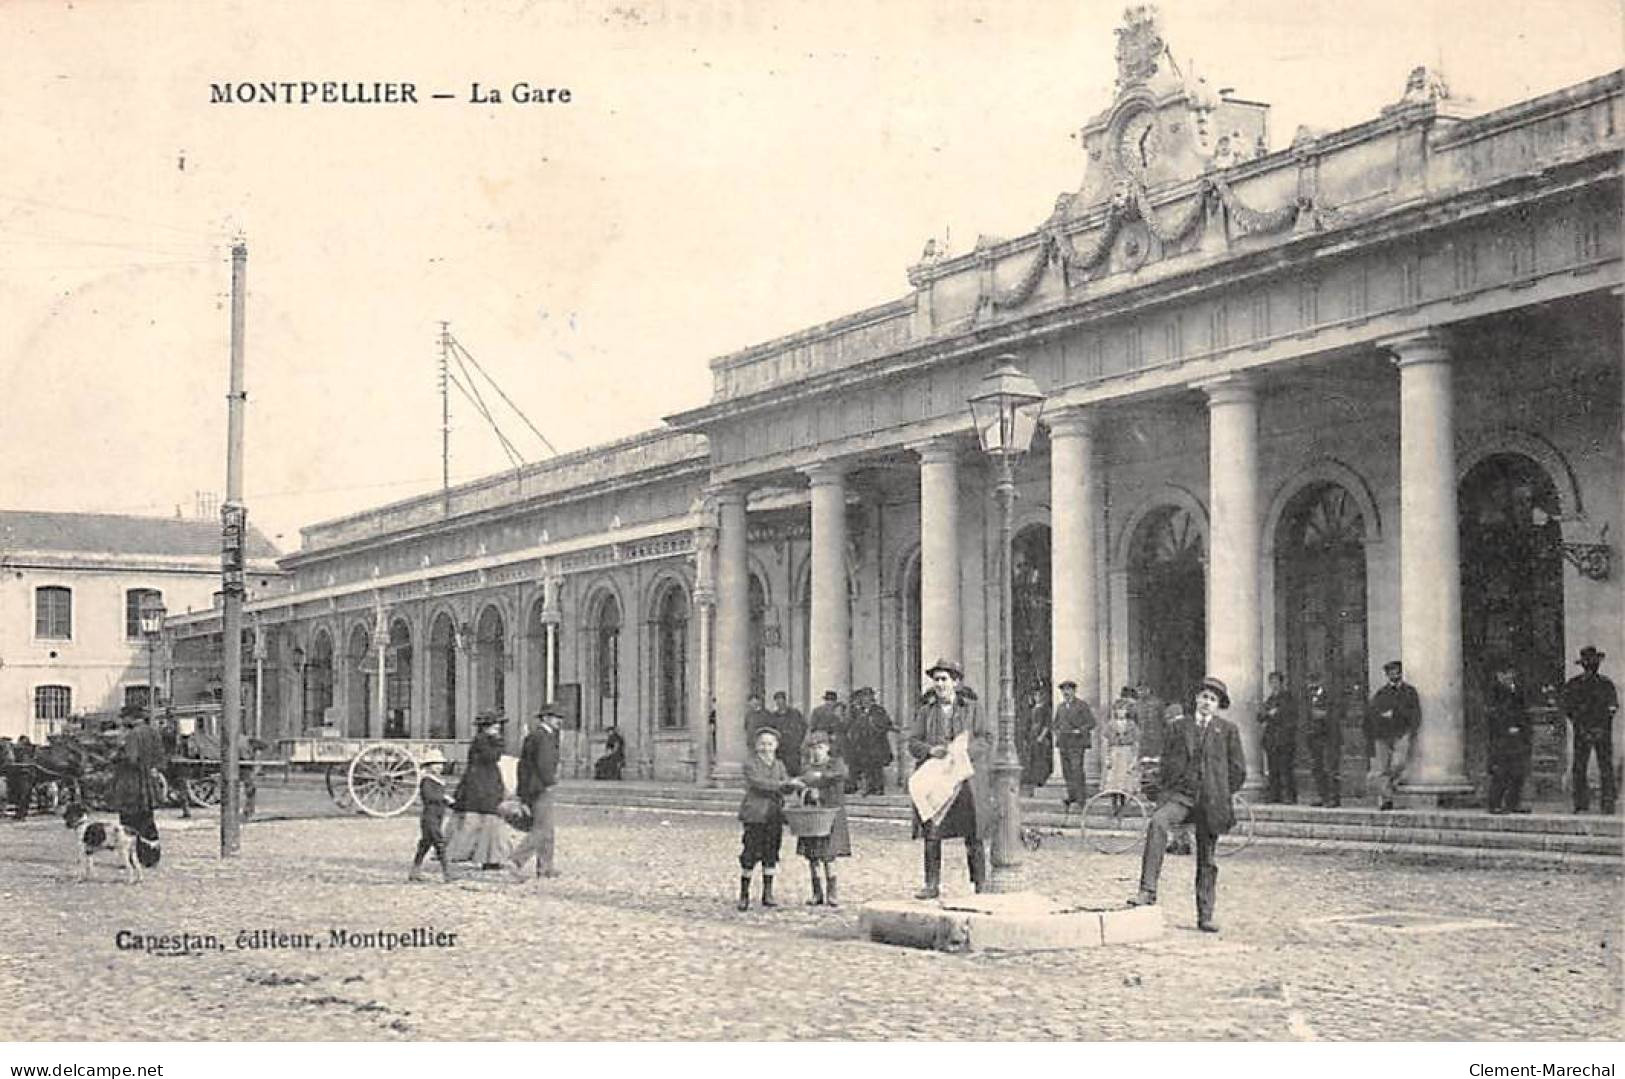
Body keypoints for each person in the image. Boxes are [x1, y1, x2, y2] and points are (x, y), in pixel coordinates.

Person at [1128, 676, 1247, 932]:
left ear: (1218, 706)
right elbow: (1166, 763)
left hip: (1211, 802)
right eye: (1204, 696)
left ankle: (1205, 914)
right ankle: (1147, 891)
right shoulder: (1179, 727)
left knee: (1207, 857)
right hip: (1181, 797)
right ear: (1196, 699)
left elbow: (1238, 771)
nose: (1207, 703)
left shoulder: (1227, 731)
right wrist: (1167, 793)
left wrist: (1221, 792)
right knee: (1158, 822)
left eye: (1213, 700)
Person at [907, 657, 991, 899]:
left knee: (972, 834)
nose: (939, 684)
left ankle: (980, 883)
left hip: (964, 781)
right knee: (932, 832)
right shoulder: (926, 711)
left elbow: (985, 738)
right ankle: (932, 884)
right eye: (936, 680)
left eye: (944, 679)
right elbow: (913, 742)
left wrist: (965, 752)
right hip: (936, 780)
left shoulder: (973, 709)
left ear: (955, 682)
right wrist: (930, 750)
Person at [737, 727, 801, 911]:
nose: (766, 747)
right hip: (755, 814)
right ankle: (744, 894)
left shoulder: (779, 765)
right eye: (763, 744)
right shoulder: (750, 764)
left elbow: (785, 784)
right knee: (750, 852)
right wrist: (785, 784)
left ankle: (768, 893)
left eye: (770, 744)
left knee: (771, 852)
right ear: (757, 746)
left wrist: (796, 785)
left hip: (774, 815)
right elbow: (759, 784)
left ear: (776, 746)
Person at [447, 714, 512, 870]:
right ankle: (489, 858)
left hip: (482, 784)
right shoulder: (483, 741)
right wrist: (498, 743)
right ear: (486, 727)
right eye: (494, 725)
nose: (498, 728)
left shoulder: (482, 740)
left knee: (483, 821)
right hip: (482, 787)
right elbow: (492, 757)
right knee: (488, 820)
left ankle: (487, 857)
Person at [795, 730, 851, 906]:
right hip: (811, 818)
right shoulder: (807, 768)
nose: (816, 751)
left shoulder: (835, 765)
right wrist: (805, 791)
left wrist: (821, 780)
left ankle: (832, 893)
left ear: (827, 748)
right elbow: (801, 785)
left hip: (830, 817)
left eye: (820, 747)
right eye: (813, 748)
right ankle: (817, 892)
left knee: (828, 856)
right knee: (812, 857)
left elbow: (841, 776)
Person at [1562, 646, 1618, 815]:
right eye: (1588, 664)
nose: (1592, 667)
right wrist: (1581, 727)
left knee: (1606, 767)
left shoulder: (1606, 684)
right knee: (1579, 767)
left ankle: (1608, 803)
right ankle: (1580, 803)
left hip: (1602, 731)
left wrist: (1601, 727)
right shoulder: (1573, 685)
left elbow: (1612, 707)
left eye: (1594, 664)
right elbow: (1568, 708)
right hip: (1582, 731)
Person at [509, 705, 563, 879]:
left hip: (532, 787)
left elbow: (523, 765)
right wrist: (549, 782)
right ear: (546, 718)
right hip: (541, 787)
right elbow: (544, 763)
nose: (559, 721)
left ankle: (546, 867)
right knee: (541, 828)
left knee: (547, 829)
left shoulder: (535, 736)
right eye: (555, 717)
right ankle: (516, 860)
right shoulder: (544, 737)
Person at [108, 711, 166, 869]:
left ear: (130, 717)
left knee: (129, 820)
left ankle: (134, 858)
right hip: (148, 780)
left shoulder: (133, 735)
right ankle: (152, 857)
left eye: (124, 717)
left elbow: (131, 758)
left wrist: (117, 755)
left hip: (131, 783)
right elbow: (160, 756)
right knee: (147, 819)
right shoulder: (152, 732)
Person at [1365, 660, 1420, 810]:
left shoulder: (1409, 692)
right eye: (1391, 672)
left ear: (1401, 673)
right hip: (1383, 734)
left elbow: (1414, 712)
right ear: (1387, 674)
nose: (1394, 674)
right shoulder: (1382, 693)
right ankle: (1386, 800)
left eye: (1396, 671)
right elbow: (1373, 712)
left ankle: (1388, 787)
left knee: (1398, 763)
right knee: (1383, 767)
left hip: (1401, 732)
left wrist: (1409, 728)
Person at [1484, 658, 1531, 815]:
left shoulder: (1517, 690)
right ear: (1499, 675)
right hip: (1501, 738)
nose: (1510, 676)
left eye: (1512, 673)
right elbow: (1493, 714)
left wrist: (1523, 730)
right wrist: (1507, 727)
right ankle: (1495, 803)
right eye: (1506, 673)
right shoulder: (1494, 692)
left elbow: (1523, 712)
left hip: (1518, 737)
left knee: (1518, 771)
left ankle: (1513, 802)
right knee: (1501, 772)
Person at [409, 759, 455, 882]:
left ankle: (415, 871)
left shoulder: (438, 781)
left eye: (441, 764)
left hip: (437, 816)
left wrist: (454, 805)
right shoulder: (427, 781)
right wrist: (444, 798)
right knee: (439, 843)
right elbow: (429, 796)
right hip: (430, 816)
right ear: (429, 766)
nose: (439, 767)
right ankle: (447, 873)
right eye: (436, 764)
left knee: (425, 844)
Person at [1053, 679, 1097, 810]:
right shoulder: (1060, 707)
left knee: (1076, 769)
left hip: (1076, 743)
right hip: (1063, 743)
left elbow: (1091, 723)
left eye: (1068, 690)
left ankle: (1080, 799)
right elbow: (1055, 723)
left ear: (1074, 691)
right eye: (1063, 690)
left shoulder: (1081, 705)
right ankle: (1071, 796)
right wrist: (1056, 731)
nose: (1066, 692)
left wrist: (1080, 730)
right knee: (1067, 771)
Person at [1260, 671, 1298, 804]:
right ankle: (1274, 795)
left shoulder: (1287, 698)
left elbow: (1289, 716)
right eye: (1271, 682)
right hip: (1271, 739)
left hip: (1284, 739)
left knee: (1286, 768)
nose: (1274, 685)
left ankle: (1289, 795)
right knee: (1273, 768)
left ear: (1281, 683)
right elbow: (1261, 716)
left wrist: (1274, 714)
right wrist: (1268, 714)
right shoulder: (1270, 699)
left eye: (1276, 682)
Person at [1304, 673, 1341, 807]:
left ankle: (1333, 797)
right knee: (1316, 767)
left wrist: (1324, 715)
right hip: (1314, 737)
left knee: (1329, 767)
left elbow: (1337, 713)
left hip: (1329, 737)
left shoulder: (1330, 696)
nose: (1311, 687)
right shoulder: (1308, 698)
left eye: (1314, 683)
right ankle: (1322, 795)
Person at [848, 687, 893, 796]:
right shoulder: (860, 713)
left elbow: (886, 724)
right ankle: (869, 787)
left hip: (877, 744)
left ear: (871, 698)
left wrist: (875, 728)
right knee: (866, 767)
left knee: (877, 767)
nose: (865, 700)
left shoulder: (879, 710)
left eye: (867, 697)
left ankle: (878, 788)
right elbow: (855, 726)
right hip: (864, 745)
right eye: (863, 697)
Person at [1102, 694, 1140, 807]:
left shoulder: (1132, 725)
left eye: (1123, 709)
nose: (1121, 712)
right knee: (1114, 782)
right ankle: (1114, 805)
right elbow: (1106, 742)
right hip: (1115, 754)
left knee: (1124, 781)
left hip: (1126, 754)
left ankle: (1123, 805)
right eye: (1119, 709)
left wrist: (1134, 759)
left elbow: (1136, 743)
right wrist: (1107, 758)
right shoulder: (1110, 725)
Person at [1022, 685, 1054, 795]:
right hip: (1033, 737)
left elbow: (1047, 724)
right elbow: (1029, 724)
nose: (1036, 697)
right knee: (1033, 760)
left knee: (1041, 760)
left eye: (1038, 695)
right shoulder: (1033, 708)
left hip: (1041, 738)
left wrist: (1042, 736)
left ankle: (1041, 781)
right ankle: (1034, 782)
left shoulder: (1045, 709)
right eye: (1035, 695)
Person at [767, 691, 807, 776]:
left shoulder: (795, 714)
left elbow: (804, 727)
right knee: (780, 772)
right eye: (777, 701)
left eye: (781, 700)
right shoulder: (773, 716)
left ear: (785, 701)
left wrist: (800, 742)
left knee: (794, 772)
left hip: (793, 749)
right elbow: (770, 732)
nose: (779, 703)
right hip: (780, 750)